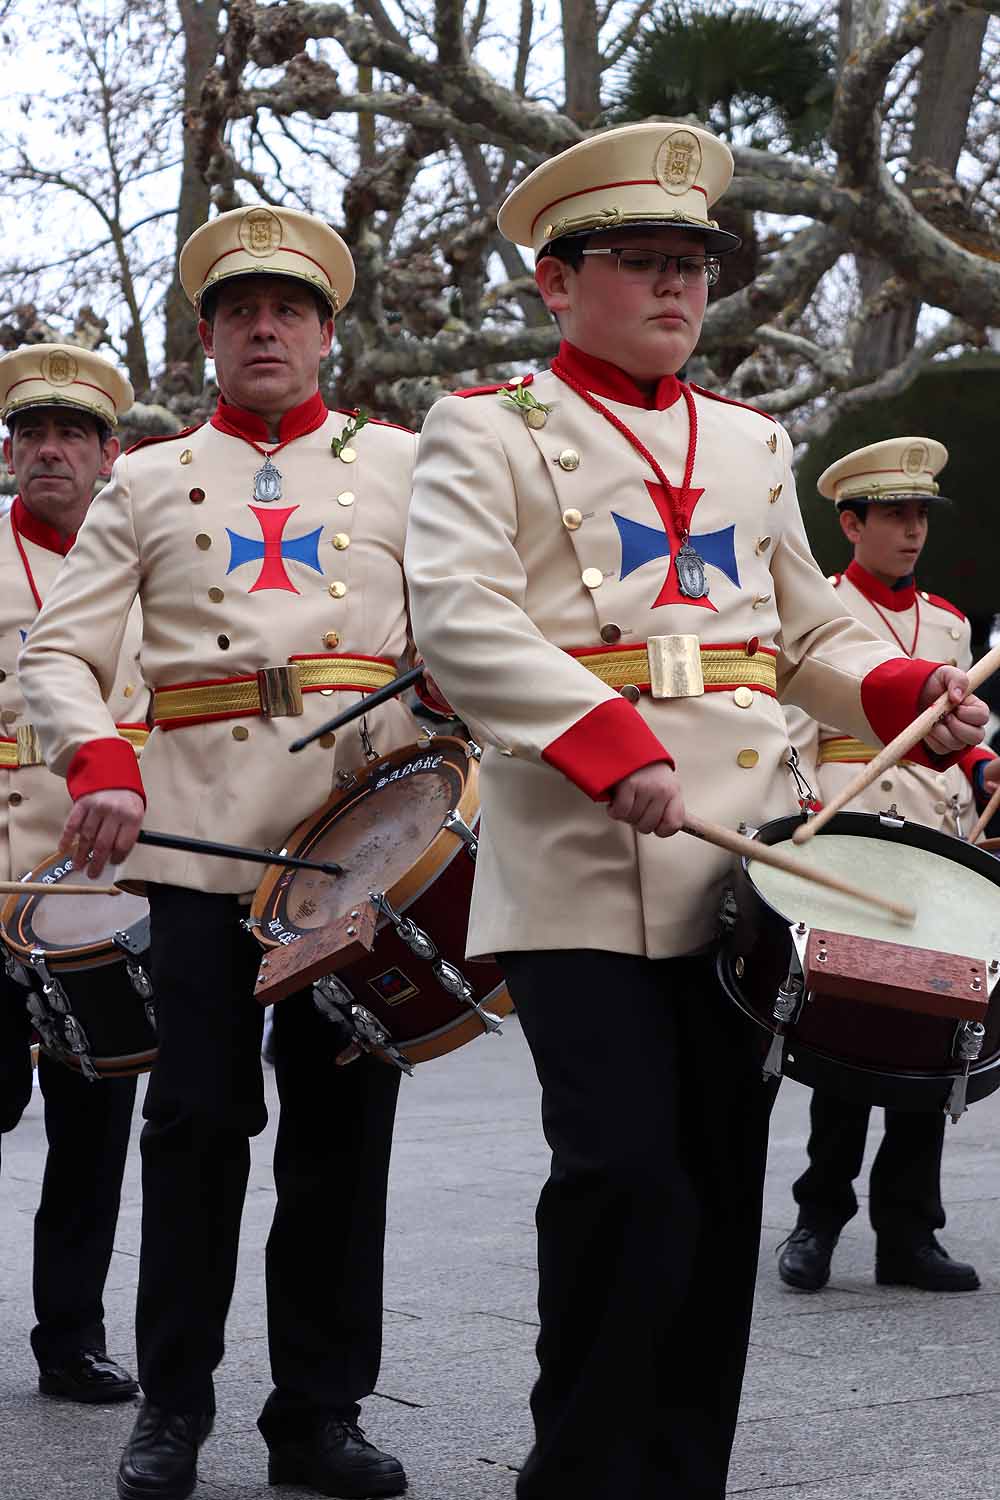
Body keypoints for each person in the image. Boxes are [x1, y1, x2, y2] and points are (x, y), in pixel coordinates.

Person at [403, 121, 990, 1500]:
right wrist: (607, 743)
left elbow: (802, 637)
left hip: (744, 869)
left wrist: (904, 681)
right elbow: (464, 621)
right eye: (642, 261)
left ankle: (680, 1476)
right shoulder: (481, 429)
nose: (677, 287)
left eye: (695, 264)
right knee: (621, 1177)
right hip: (573, 860)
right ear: (557, 282)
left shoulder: (747, 437)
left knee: (720, 1191)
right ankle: (580, 1472)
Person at [19, 207, 417, 1500]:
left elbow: (468, 631)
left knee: (344, 1136)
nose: (264, 327)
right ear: (206, 338)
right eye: (240, 310)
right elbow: (60, 655)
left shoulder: (411, 466)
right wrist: (103, 760)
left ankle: (319, 1415)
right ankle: (171, 1413)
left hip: (360, 843)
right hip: (197, 852)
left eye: (288, 310)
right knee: (194, 1127)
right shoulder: (139, 478)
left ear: (323, 335)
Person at [779, 437, 999, 1295]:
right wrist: (807, 820)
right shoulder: (820, 608)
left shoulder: (949, 619)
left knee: (938, 1041)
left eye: (921, 516)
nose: (912, 531)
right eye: (894, 515)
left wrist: (983, 768)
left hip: (942, 843)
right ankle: (818, 1219)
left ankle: (909, 1232)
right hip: (854, 844)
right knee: (850, 1037)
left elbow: (957, 736)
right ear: (849, 523)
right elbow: (793, 734)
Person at [0, 344, 147, 1404]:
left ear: (109, 456)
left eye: (72, 435)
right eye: (32, 434)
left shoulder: (146, 562)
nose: (50, 450)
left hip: (106, 885)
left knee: (96, 1121)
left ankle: (71, 1337)